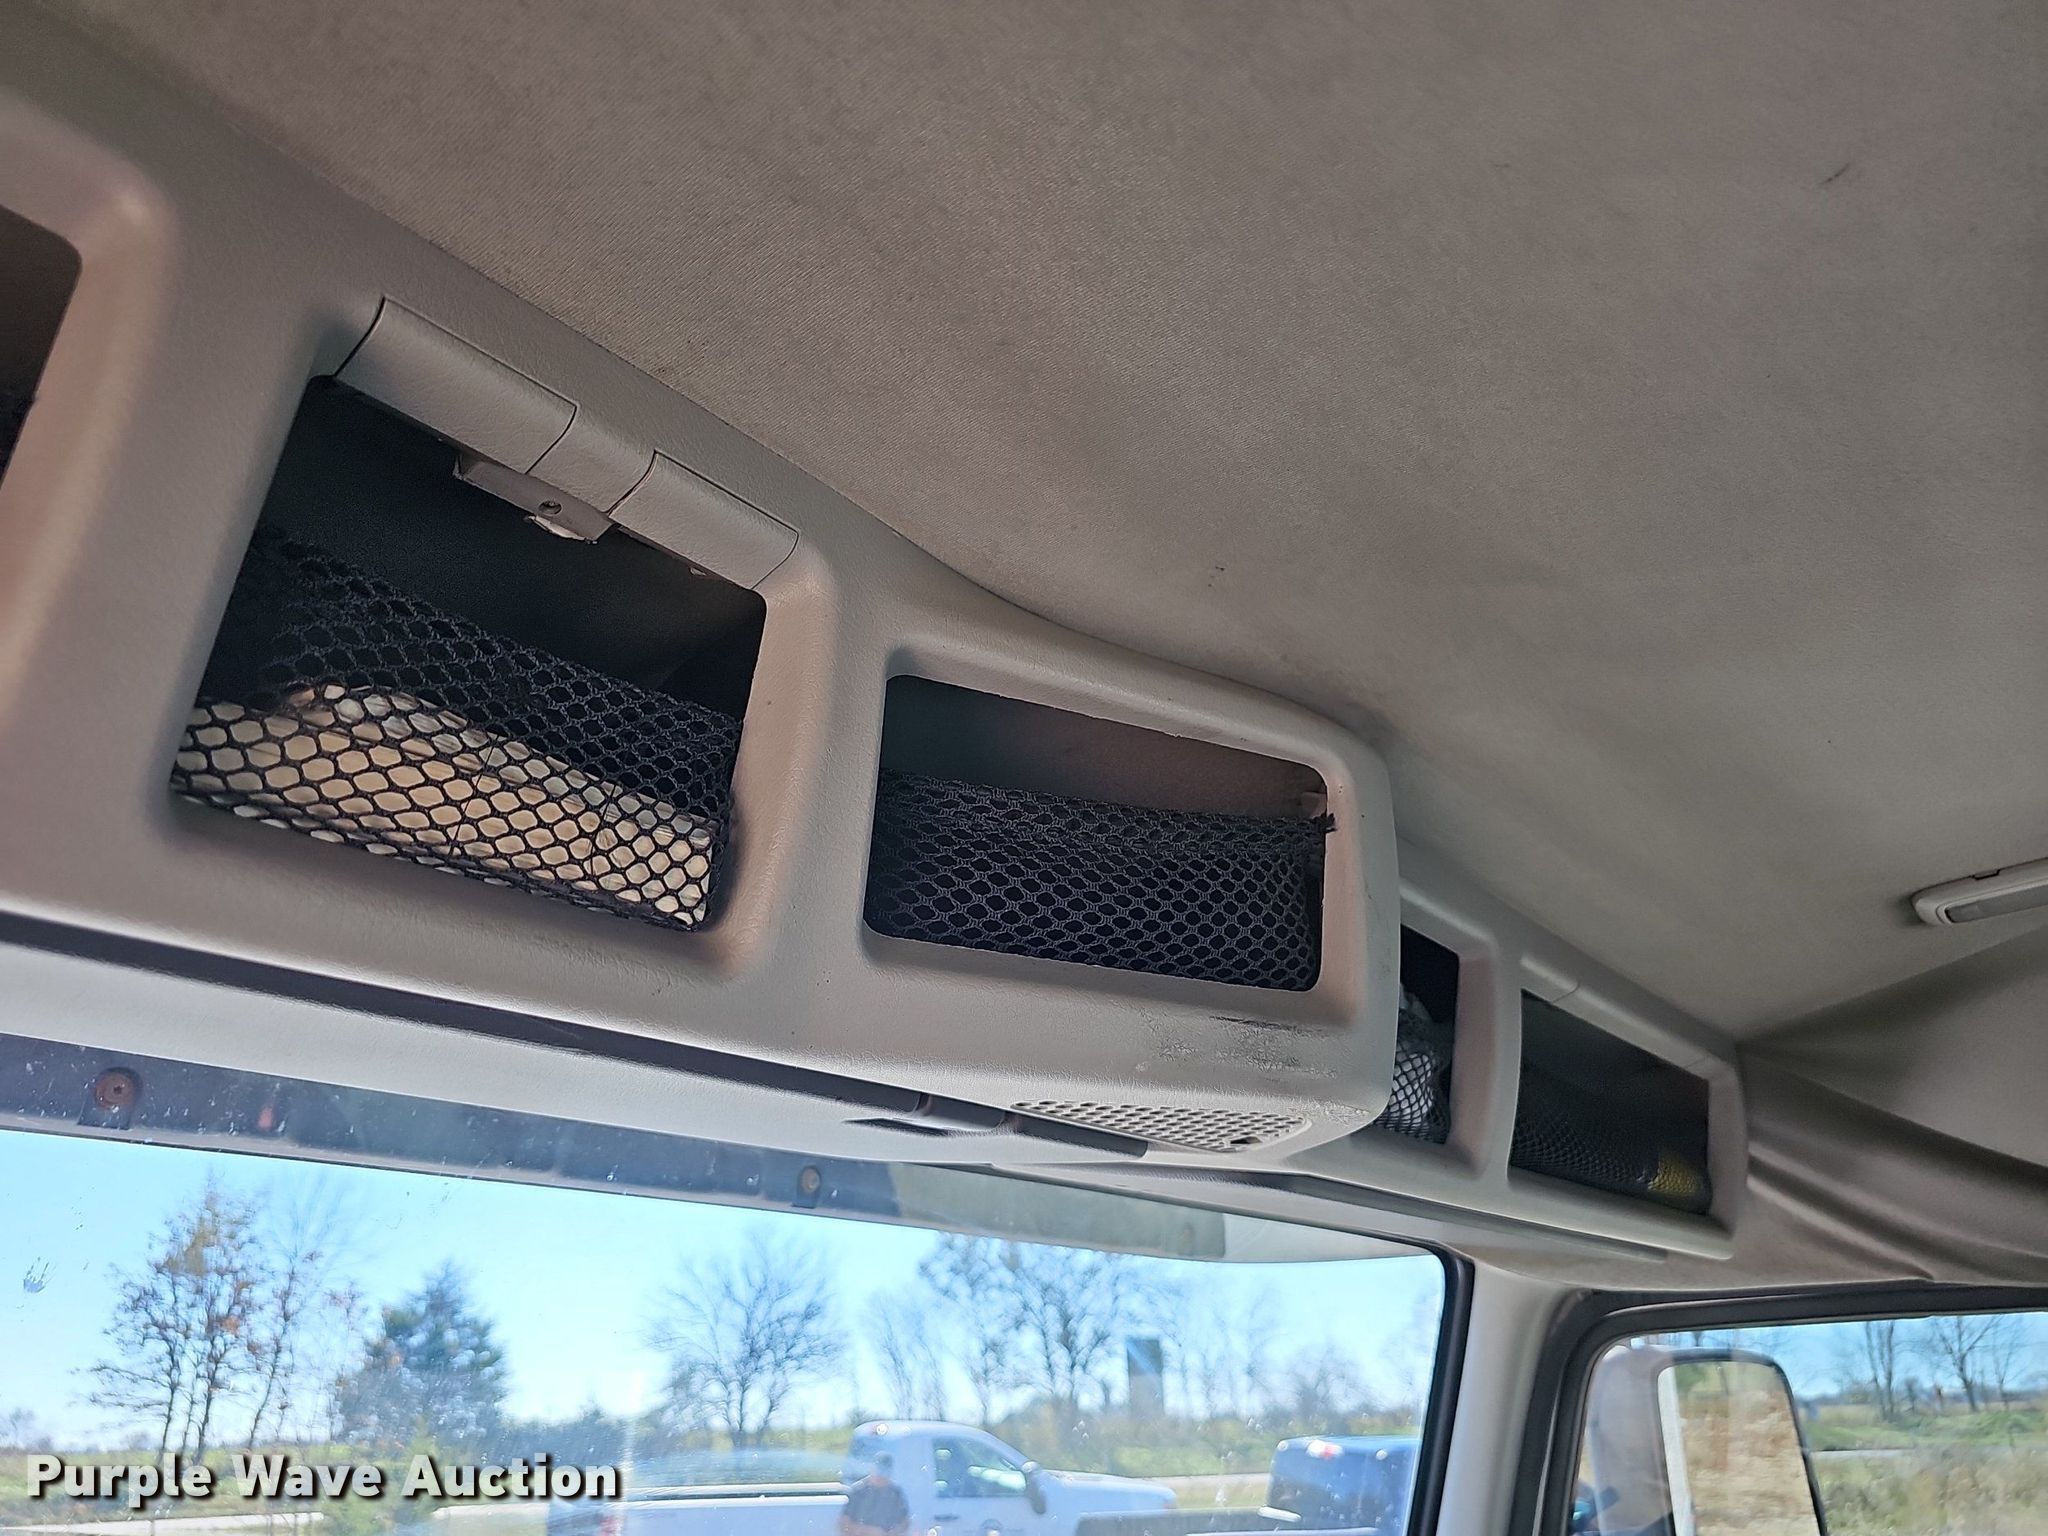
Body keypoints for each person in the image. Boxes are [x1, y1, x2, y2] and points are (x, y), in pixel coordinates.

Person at [840, 1452, 911, 1536]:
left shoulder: (895, 1493)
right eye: (879, 1473)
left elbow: (905, 1522)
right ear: (872, 1470)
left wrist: (892, 1532)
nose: (881, 1478)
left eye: (884, 1474)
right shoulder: (858, 1492)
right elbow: (844, 1524)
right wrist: (868, 1531)